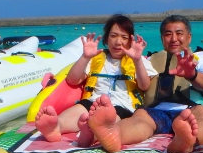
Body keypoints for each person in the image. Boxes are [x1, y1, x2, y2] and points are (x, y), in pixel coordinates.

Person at [79, 15, 203, 153]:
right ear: (162, 38)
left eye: (179, 33)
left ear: (189, 37)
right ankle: (113, 134)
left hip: (190, 108)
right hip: (156, 111)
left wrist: (192, 75)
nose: (173, 39)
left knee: (201, 115)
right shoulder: (150, 59)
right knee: (140, 117)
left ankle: (187, 142)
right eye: (168, 34)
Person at [35, 14, 157, 143]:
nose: (118, 41)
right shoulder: (95, 58)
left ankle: (91, 135)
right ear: (106, 39)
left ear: (130, 41)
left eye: (124, 37)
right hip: (94, 101)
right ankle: (56, 126)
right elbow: (72, 80)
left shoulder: (138, 60)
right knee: (81, 109)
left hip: (122, 106)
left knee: (110, 118)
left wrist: (137, 60)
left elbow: (144, 86)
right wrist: (85, 57)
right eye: (113, 35)